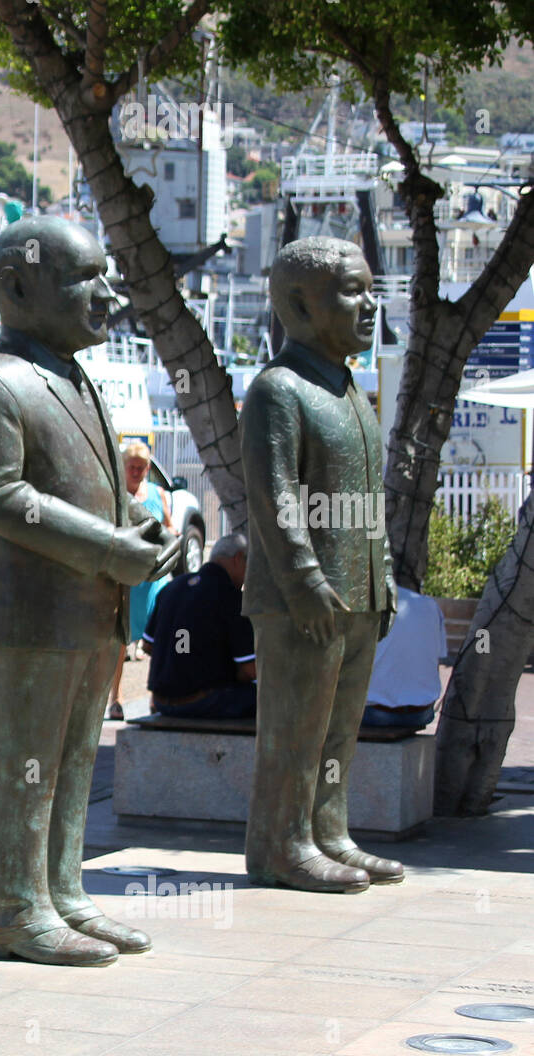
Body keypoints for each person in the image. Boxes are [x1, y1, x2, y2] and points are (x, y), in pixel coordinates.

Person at [0, 216, 181, 967]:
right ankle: (9, 906)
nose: (108, 293)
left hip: (89, 609)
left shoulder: (73, 374)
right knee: (23, 766)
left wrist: (138, 536)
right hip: (25, 614)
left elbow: (86, 487)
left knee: (75, 758)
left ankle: (61, 888)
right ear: (19, 287)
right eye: (88, 278)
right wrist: (111, 546)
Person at [241, 236, 401, 894]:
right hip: (302, 598)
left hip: (357, 592)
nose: (370, 304)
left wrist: (381, 574)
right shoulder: (280, 390)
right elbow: (275, 497)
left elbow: (371, 499)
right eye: (352, 291)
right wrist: (305, 578)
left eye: (371, 289)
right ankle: (282, 842)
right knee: (295, 730)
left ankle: (327, 830)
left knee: (339, 730)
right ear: (300, 304)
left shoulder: (350, 391)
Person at [145, 531, 256, 719]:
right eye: (250, 564)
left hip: (162, 702)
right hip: (203, 702)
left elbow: (148, 645)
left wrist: (182, 656)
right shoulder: (232, 598)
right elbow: (249, 669)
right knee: (275, 696)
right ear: (238, 559)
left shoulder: (171, 588)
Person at [107, 439, 176, 720]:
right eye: (132, 467)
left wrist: (174, 535)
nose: (136, 472)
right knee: (120, 640)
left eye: (141, 467)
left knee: (157, 638)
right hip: (125, 580)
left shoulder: (157, 494)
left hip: (154, 580)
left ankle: (156, 697)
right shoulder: (116, 495)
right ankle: (116, 698)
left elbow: (170, 526)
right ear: (123, 467)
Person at [361, 584, 448, 730]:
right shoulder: (428, 604)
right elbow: (436, 662)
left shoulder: (364, 603)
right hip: (422, 713)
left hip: (375, 713)